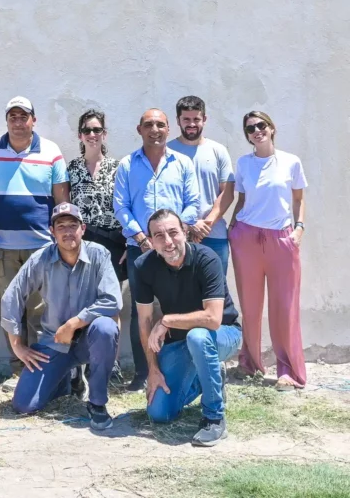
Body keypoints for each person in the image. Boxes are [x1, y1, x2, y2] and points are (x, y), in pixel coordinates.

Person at [3, 203, 122, 430]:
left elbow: (113, 300)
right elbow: (12, 297)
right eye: (61, 226)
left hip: (90, 340)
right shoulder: (40, 259)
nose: (68, 232)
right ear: (52, 231)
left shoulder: (100, 255)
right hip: (54, 342)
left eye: (73, 225)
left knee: (106, 327)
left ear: (83, 228)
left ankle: (97, 403)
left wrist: (74, 323)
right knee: (23, 405)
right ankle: (68, 378)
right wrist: (17, 345)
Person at [135, 209, 242, 447]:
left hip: (223, 334)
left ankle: (214, 417)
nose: (168, 241)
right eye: (159, 236)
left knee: (199, 337)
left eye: (173, 232)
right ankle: (212, 376)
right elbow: (143, 320)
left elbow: (213, 319)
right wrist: (152, 369)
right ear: (150, 241)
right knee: (159, 414)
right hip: (181, 342)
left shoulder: (207, 259)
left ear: (185, 232)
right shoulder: (144, 266)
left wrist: (166, 321)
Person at [113, 108, 201, 392]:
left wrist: (175, 235)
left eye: (160, 124)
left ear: (168, 129)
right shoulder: (127, 165)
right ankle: (142, 371)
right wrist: (142, 238)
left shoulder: (183, 163)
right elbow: (121, 206)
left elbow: (193, 203)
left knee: (182, 307)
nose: (155, 129)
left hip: (177, 248)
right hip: (142, 248)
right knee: (142, 311)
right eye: (149, 124)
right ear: (139, 130)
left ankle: (184, 368)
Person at [0, 96, 69, 392]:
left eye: (24, 117)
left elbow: (62, 202)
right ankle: (18, 370)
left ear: (34, 120)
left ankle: (42, 370)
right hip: (2, 246)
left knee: (40, 310)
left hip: (41, 248)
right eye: (13, 117)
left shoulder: (51, 151)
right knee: (10, 308)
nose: (18, 122)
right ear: (6, 120)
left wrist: (63, 241)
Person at [229, 111, 308, 390]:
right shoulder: (243, 164)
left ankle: (287, 370)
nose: (256, 131)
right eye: (250, 128)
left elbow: (298, 198)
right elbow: (242, 199)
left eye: (261, 125)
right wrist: (233, 230)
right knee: (250, 307)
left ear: (272, 128)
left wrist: (298, 229)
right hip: (246, 238)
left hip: (281, 239)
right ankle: (250, 363)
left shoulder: (290, 161)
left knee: (283, 307)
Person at [67, 109, 126, 385]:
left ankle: (109, 364)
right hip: (82, 242)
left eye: (97, 130)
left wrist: (128, 240)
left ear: (104, 134)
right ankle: (77, 366)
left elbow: (126, 205)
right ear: (80, 135)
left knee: (110, 302)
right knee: (80, 302)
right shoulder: (73, 168)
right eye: (87, 130)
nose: (92, 135)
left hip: (113, 241)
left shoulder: (118, 167)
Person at [167, 96, 236, 269]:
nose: (191, 124)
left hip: (215, 235)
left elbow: (227, 192)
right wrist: (189, 224)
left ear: (204, 119)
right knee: (180, 294)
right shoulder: (167, 152)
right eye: (186, 119)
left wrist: (206, 224)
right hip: (176, 237)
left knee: (216, 292)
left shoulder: (218, 151)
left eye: (196, 119)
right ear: (178, 120)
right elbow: (165, 193)